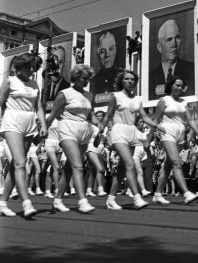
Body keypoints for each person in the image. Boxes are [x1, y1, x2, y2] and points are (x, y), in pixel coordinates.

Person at [101, 70, 162, 210]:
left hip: (132, 132)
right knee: (130, 164)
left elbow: (144, 117)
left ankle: (110, 199)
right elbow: (108, 115)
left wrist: (157, 125)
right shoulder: (115, 96)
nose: (130, 81)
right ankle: (137, 197)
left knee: (122, 169)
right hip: (119, 131)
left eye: (132, 79)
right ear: (122, 81)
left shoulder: (138, 99)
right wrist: (101, 130)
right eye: (127, 79)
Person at [0, 53, 47, 218]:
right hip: (12, 120)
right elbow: (0, 102)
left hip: (29, 122)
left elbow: (39, 107)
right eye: (27, 66)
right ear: (18, 67)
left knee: (16, 165)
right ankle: (26, 202)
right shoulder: (10, 81)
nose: (30, 69)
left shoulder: (34, 85)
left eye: (32, 66)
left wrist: (43, 124)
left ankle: (3, 203)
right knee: (21, 164)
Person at [46, 64, 98, 214]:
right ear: (76, 77)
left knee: (70, 168)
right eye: (84, 78)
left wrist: (99, 123)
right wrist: (42, 131)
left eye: (88, 79)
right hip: (68, 129)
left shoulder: (89, 95)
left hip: (84, 131)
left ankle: (57, 200)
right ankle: (82, 200)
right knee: (78, 166)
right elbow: (53, 114)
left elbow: (90, 115)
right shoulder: (64, 93)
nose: (87, 81)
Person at [152, 76, 198, 205]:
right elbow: (155, 121)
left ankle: (157, 194)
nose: (179, 87)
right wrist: (148, 139)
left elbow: (190, 121)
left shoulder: (184, 102)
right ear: (171, 86)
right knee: (176, 162)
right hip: (167, 132)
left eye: (181, 86)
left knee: (168, 166)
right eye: (176, 85)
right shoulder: (164, 100)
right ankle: (186, 193)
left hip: (180, 134)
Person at [149, 20, 194, 99]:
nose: (174, 44)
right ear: (159, 47)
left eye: (177, 38)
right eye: (169, 39)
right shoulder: (150, 77)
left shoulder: (192, 70)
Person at [93, 31, 120, 95]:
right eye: (103, 51)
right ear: (98, 53)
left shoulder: (123, 76)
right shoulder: (93, 80)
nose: (107, 54)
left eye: (111, 49)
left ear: (116, 51)